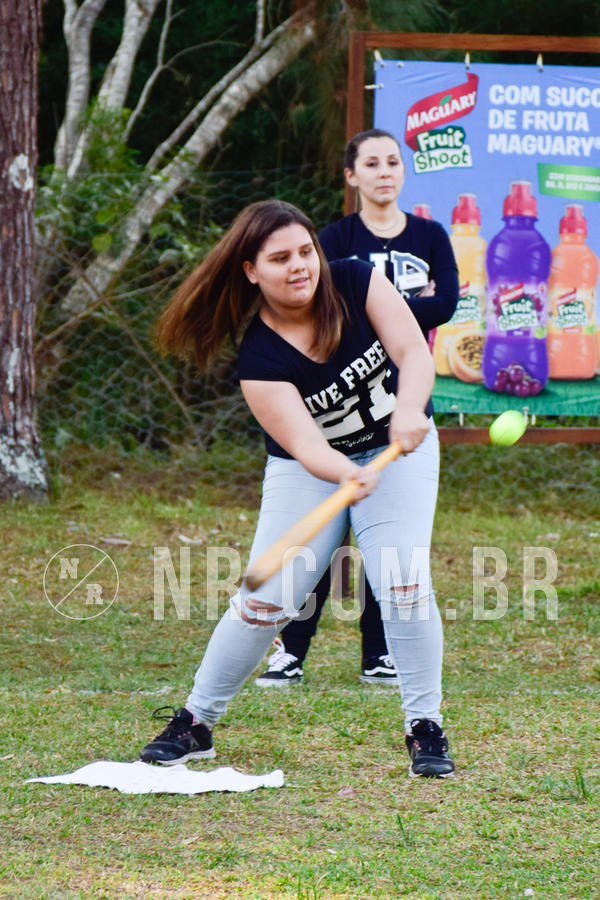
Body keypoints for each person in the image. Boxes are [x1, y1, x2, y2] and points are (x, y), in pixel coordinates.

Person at [140, 198, 455, 778]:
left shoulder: (358, 281)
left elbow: (413, 351)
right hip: (308, 468)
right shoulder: (259, 358)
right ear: (252, 271)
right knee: (265, 601)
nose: (300, 266)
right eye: (280, 258)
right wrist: (345, 472)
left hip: (402, 446)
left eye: (306, 251)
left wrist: (410, 407)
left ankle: (424, 726)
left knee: (402, 581)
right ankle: (196, 722)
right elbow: (308, 448)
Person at [256, 129, 459, 689]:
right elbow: (317, 304)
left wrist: (382, 309)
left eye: (394, 161)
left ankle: (379, 654)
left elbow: (445, 302)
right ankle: (290, 651)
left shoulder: (430, 234)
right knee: (321, 545)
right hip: (330, 418)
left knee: (384, 545)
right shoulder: (334, 239)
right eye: (371, 163)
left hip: (398, 400)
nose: (384, 172)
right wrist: (378, 307)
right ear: (352, 176)